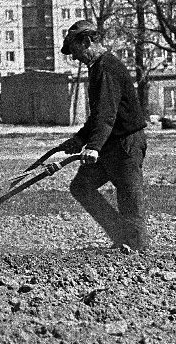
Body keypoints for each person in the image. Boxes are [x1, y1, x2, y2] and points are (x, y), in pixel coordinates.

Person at [59, 19, 150, 253]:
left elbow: (107, 113)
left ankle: (138, 249)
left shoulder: (107, 67)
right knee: (81, 187)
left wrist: (93, 146)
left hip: (125, 143)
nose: (75, 57)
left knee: (129, 195)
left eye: (76, 50)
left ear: (87, 41)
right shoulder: (98, 68)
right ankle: (122, 235)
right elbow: (99, 115)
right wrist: (80, 139)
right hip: (110, 143)